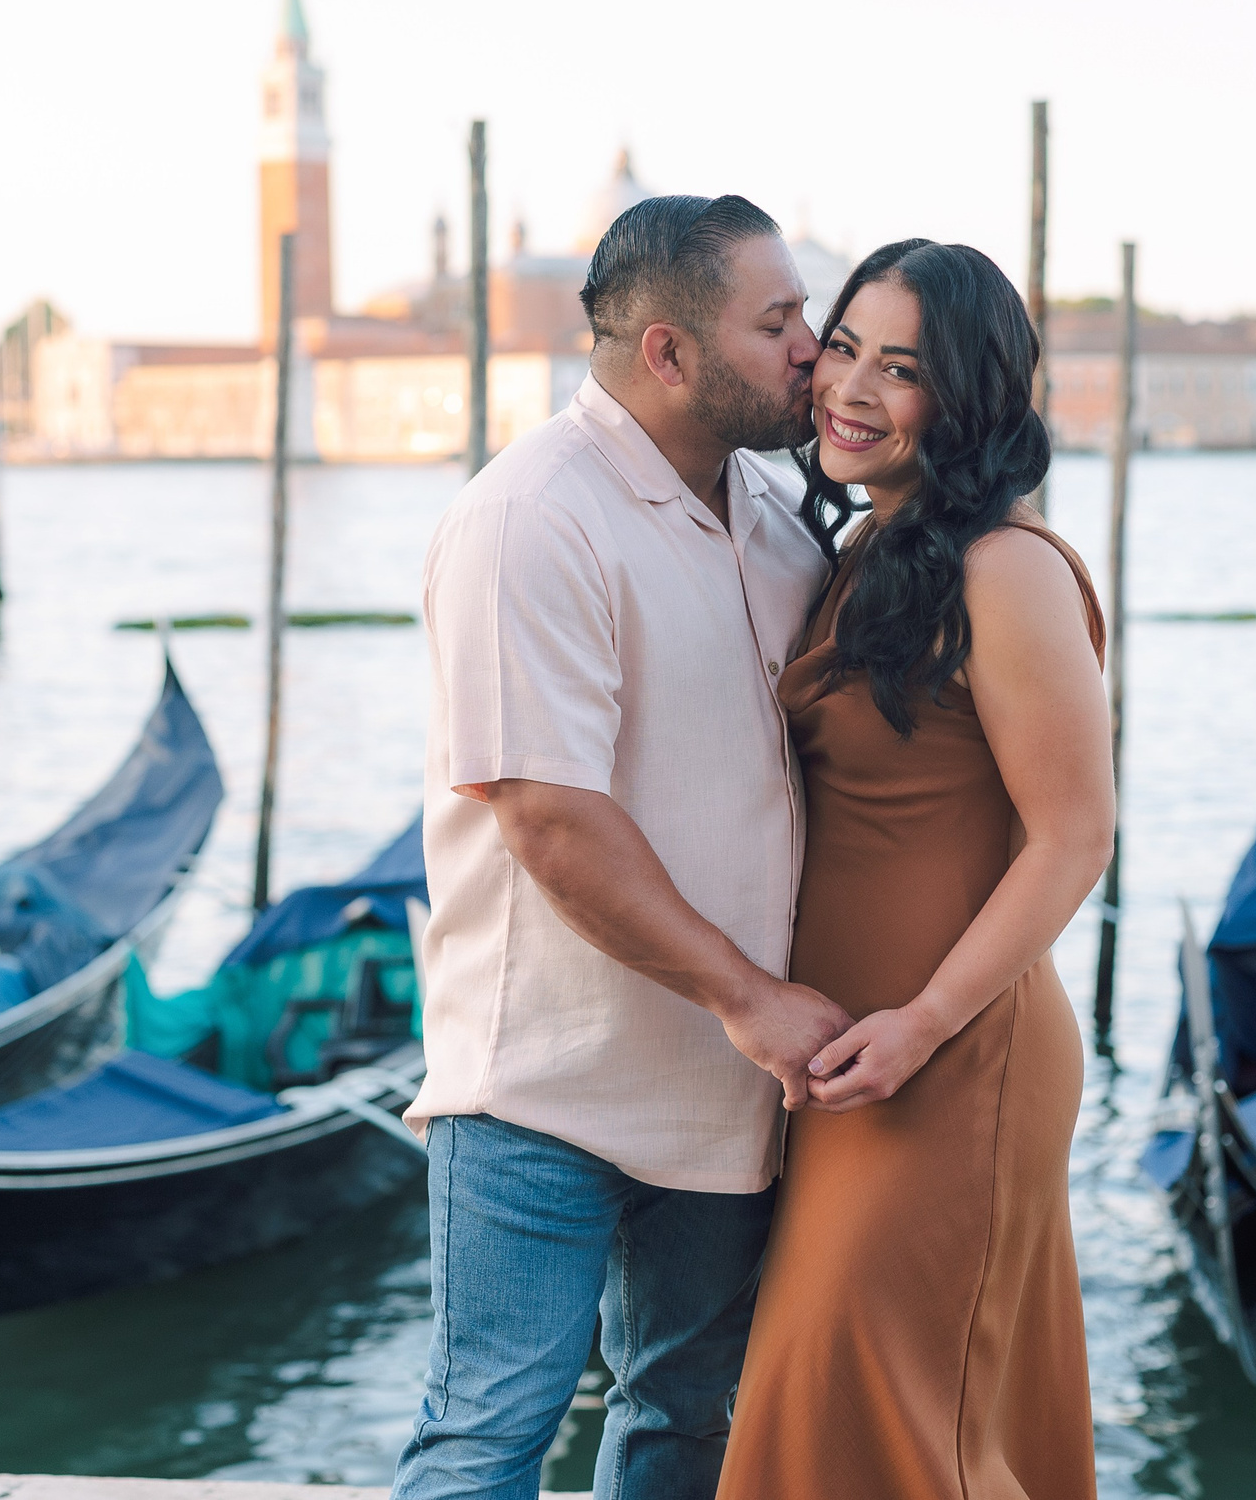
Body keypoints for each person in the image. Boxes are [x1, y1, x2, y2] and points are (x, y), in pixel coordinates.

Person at [391, 193, 845, 1500]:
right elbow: (550, 817)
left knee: (682, 1413)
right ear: (668, 351)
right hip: (543, 1079)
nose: (811, 347)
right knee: (491, 1427)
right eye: (778, 322)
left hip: (725, 1082)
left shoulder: (772, 518)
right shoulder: (531, 516)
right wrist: (755, 996)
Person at [716, 240, 1112, 1500]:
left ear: (973, 399)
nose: (853, 388)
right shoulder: (872, 558)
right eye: (843, 348)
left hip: (949, 1056)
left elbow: (1074, 835)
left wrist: (925, 1025)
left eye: (904, 368)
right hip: (853, 1059)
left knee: (878, 1423)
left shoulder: (1007, 568)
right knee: (863, 1420)